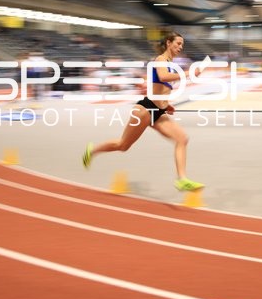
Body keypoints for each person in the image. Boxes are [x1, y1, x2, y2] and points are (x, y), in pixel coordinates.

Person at [81, 31, 204, 192]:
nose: (181, 47)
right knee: (123, 145)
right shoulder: (160, 60)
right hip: (145, 109)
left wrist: (166, 105)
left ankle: (182, 179)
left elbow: (158, 88)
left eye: (182, 44)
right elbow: (163, 77)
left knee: (182, 139)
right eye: (178, 43)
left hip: (159, 112)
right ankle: (92, 151)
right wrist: (189, 73)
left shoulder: (170, 63)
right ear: (168, 43)